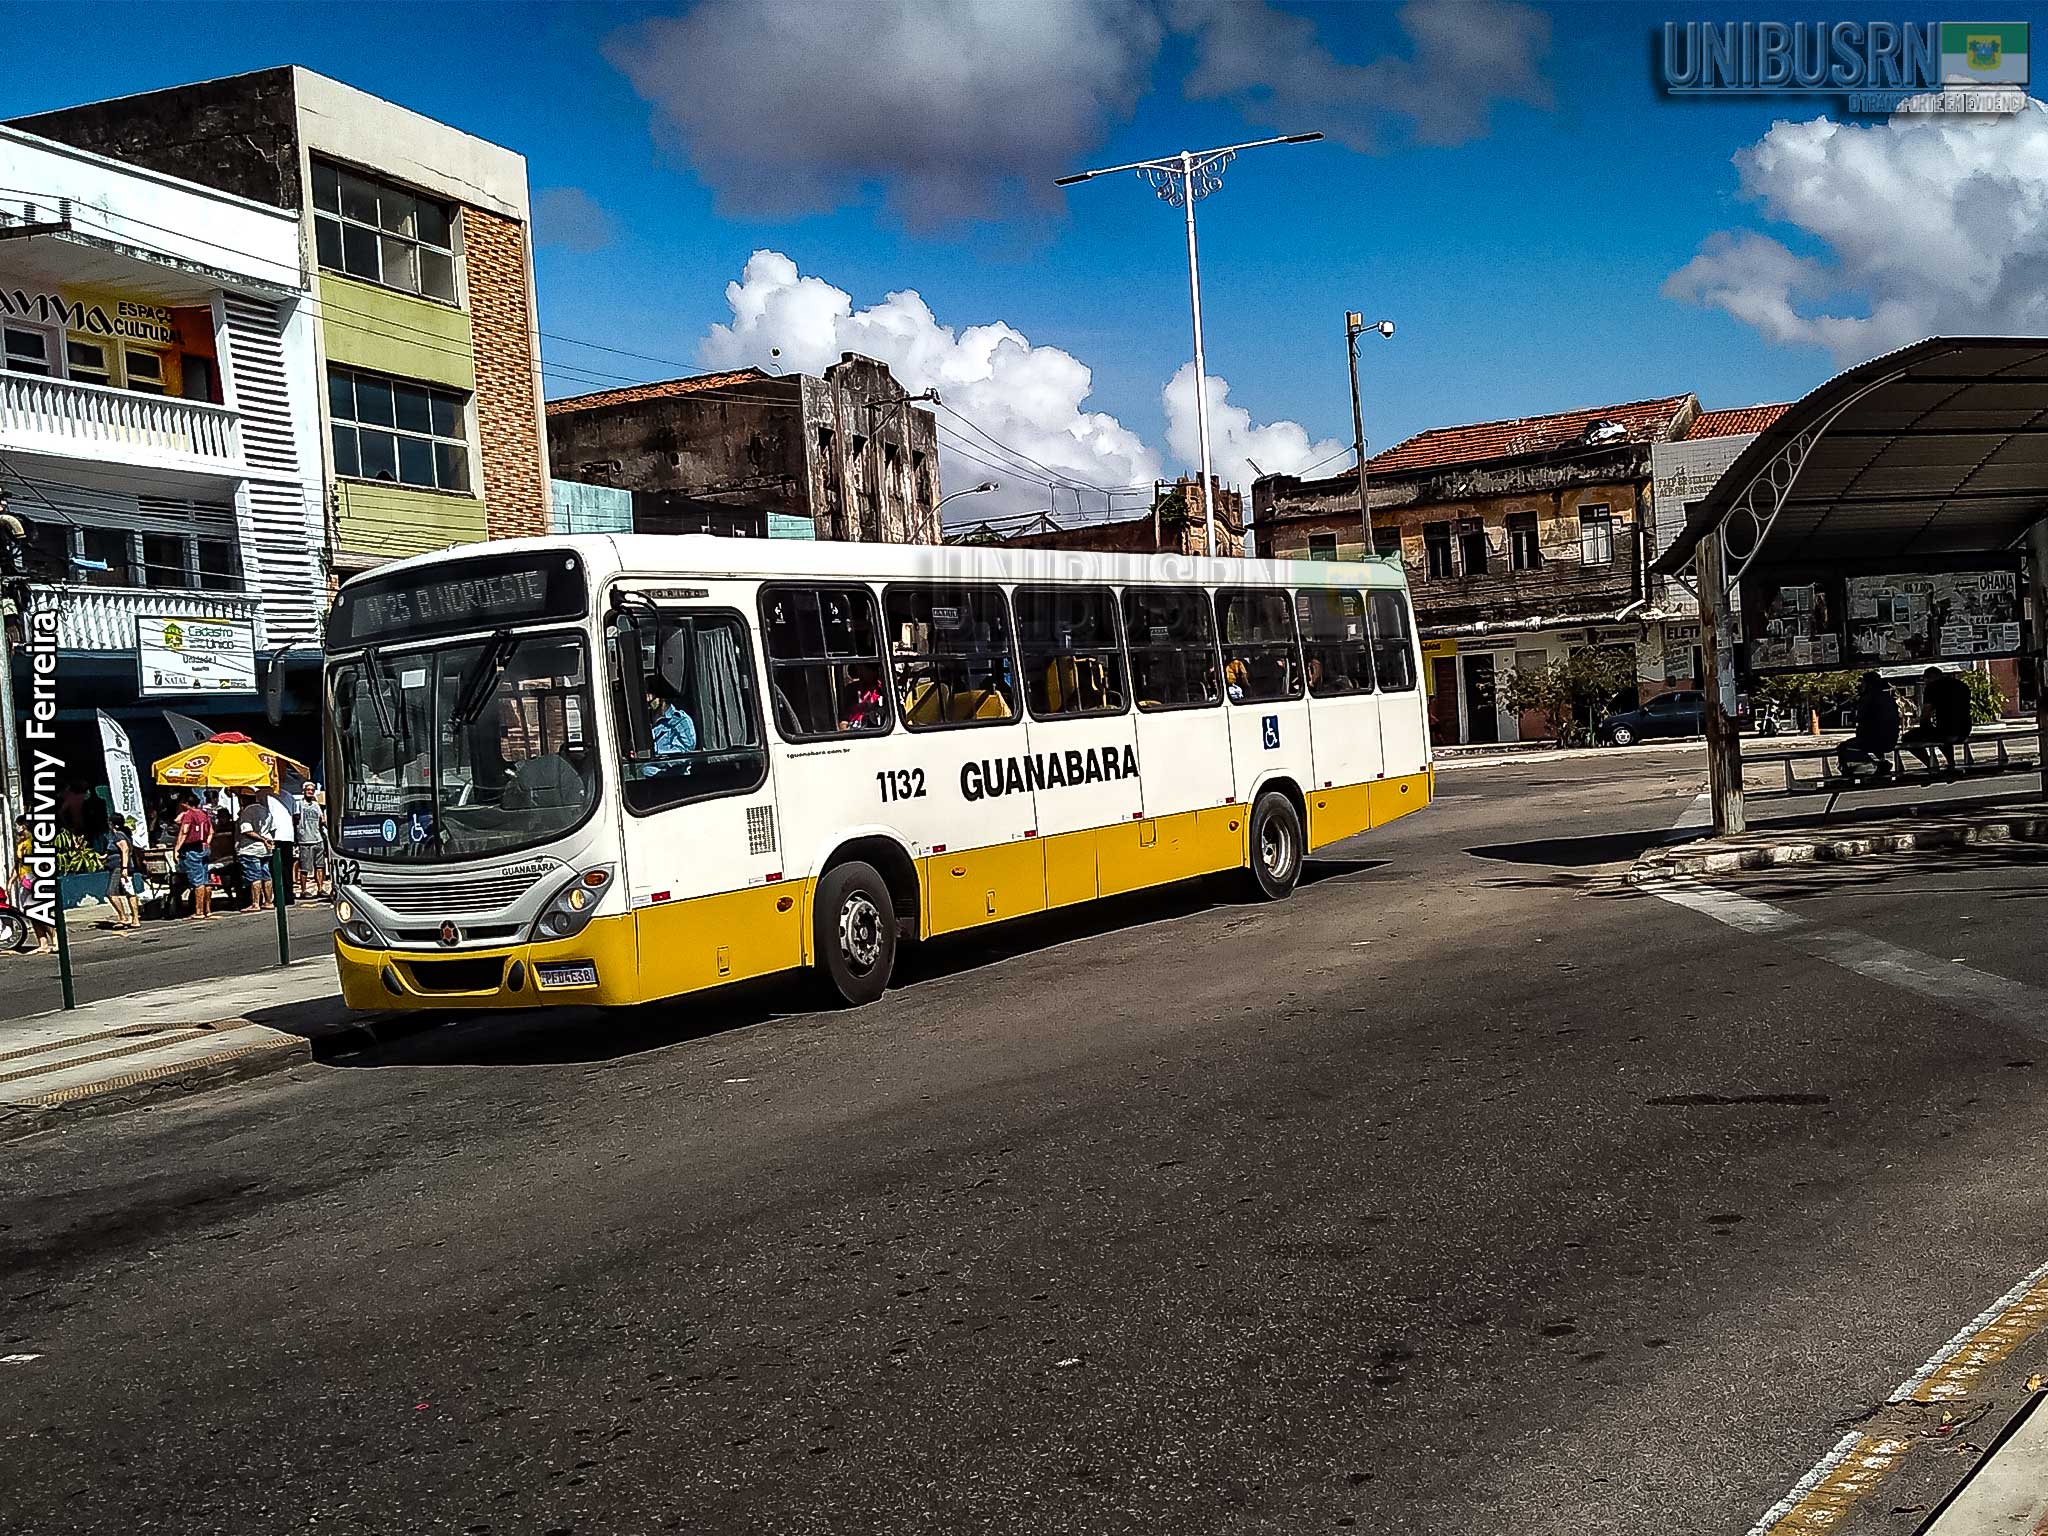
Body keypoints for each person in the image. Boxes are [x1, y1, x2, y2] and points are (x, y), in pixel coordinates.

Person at [1905, 666, 1974, 774]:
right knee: (1942, 732)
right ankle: (1951, 763)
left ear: (1929, 678)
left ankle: (1931, 764)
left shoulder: (1932, 687)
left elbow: (1926, 714)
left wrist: (1924, 725)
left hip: (1946, 732)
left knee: (1908, 738)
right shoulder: (1961, 685)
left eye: (1925, 680)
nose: (1925, 683)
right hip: (1965, 729)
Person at [1836, 671, 1901, 780]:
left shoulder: (1868, 698)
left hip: (1872, 738)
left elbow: (1861, 718)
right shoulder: (1887, 697)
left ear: (1867, 684)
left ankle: (1850, 774)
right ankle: (1879, 763)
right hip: (1891, 738)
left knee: (1843, 747)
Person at [172, 791, 217, 920]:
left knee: (198, 881)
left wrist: (177, 848)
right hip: (203, 847)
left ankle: (199, 911)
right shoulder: (204, 814)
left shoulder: (190, 815)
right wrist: (206, 844)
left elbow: (184, 831)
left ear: (186, 804)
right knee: (204, 879)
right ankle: (207, 910)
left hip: (192, 848)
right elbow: (211, 832)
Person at [641, 678, 697, 775]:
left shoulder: (681, 720)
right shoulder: (646, 720)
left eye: (649, 694)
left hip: (675, 779)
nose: (647, 699)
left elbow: (686, 752)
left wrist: (660, 759)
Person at [14, 825, 54, 955]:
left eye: (19, 826)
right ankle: (43, 943)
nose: (17, 829)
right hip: (25, 881)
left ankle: (56, 939)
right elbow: (18, 864)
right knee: (32, 914)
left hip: (34, 880)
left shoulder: (34, 843)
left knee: (40, 913)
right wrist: (11, 880)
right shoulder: (21, 844)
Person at [234, 787, 275, 911]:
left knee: (254, 877)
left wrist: (261, 838)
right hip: (265, 849)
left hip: (250, 848)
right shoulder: (265, 810)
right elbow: (272, 828)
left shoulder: (247, 812)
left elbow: (247, 830)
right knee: (266, 875)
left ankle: (256, 903)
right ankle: (268, 901)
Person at [101, 815, 140, 930]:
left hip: (119, 867)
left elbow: (125, 849)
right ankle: (135, 919)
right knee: (129, 891)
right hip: (121, 866)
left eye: (110, 822)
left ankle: (123, 917)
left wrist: (124, 867)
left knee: (111, 893)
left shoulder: (118, 835)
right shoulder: (122, 835)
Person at [295, 782, 328, 901]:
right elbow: (296, 818)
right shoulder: (299, 804)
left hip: (317, 839)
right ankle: (304, 890)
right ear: (303, 791)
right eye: (308, 789)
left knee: (320, 866)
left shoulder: (316, 804)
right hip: (305, 840)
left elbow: (321, 819)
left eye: (312, 790)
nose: (310, 791)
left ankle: (320, 888)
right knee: (305, 867)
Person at [266, 782, 297, 907]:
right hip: (288, 835)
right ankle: (289, 895)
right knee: (287, 868)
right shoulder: (289, 795)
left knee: (276, 870)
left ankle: (280, 897)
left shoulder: (263, 794)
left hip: (275, 836)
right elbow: (296, 816)